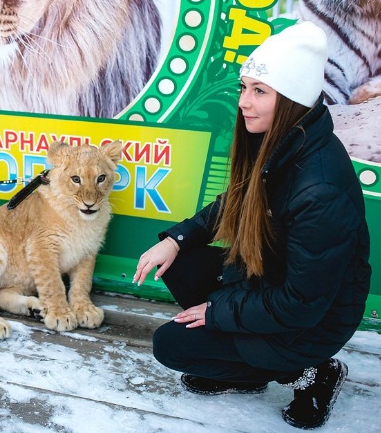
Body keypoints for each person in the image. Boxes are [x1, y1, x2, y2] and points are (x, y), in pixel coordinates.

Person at [133, 21, 371, 430]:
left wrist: (218, 311)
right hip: (273, 277)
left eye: (259, 91)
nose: (244, 101)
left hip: (314, 317)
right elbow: (239, 197)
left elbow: (301, 303)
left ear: (292, 99)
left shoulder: (320, 189)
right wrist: (177, 238)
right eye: (244, 88)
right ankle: (246, 368)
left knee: (172, 346)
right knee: (180, 262)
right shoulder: (283, 138)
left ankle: (313, 372)